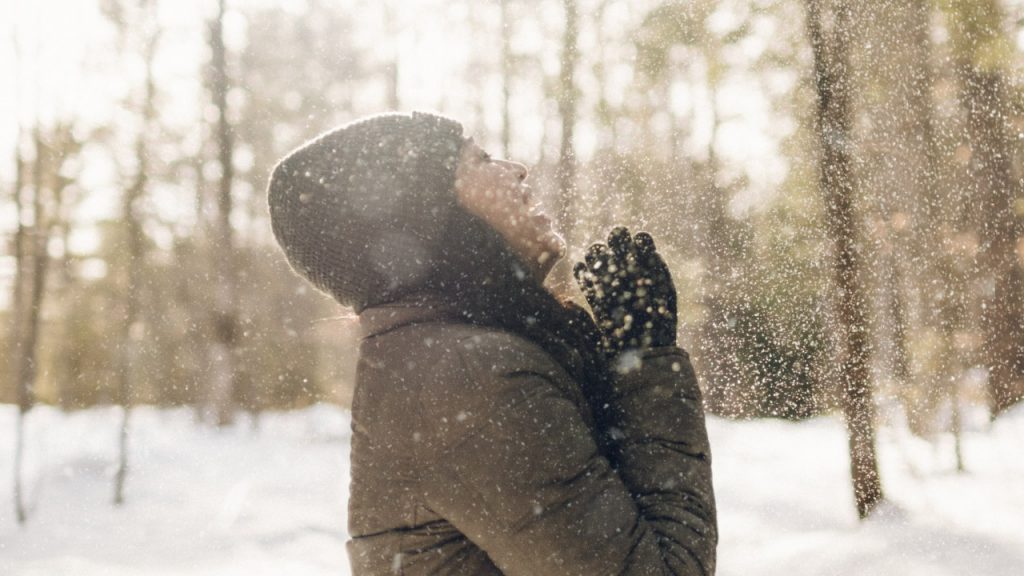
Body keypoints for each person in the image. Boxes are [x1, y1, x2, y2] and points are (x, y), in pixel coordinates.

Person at [267, 111, 717, 575]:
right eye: (480, 160)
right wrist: (649, 363)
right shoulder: (470, 379)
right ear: (432, 217)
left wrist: (625, 367)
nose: (515, 168)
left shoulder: (443, 361)